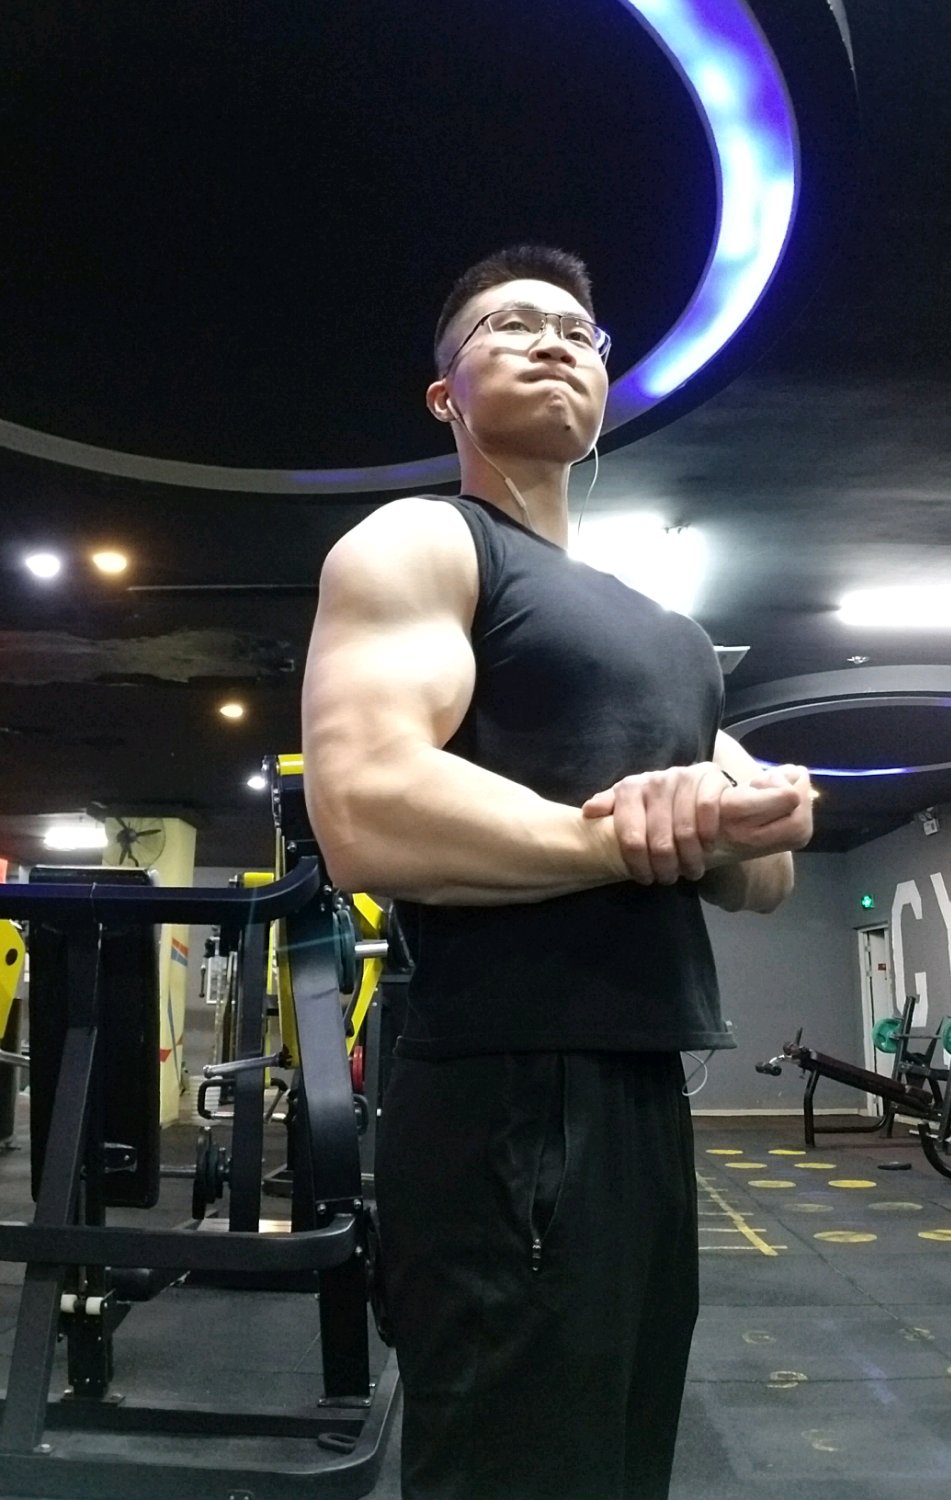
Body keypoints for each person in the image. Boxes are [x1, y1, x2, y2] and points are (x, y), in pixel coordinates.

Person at [301, 244, 814, 1500]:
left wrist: (764, 814)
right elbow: (369, 809)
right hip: (505, 1089)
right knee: (514, 1466)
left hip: (643, 1091)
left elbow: (760, 873)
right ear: (446, 395)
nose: (552, 341)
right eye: (510, 326)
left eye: (578, 332)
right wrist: (627, 837)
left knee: (619, 1460)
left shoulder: (665, 631)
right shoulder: (423, 543)